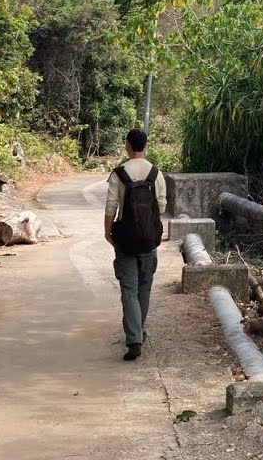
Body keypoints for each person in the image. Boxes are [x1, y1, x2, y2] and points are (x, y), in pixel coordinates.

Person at [104, 128, 167, 361]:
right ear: (145, 146)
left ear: (128, 146)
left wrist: (107, 232)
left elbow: (111, 206)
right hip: (149, 239)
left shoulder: (119, 174)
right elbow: (161, 206)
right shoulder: (156, 173)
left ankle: (134, 339)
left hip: (125, 240)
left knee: (129, 289)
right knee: (144, 287)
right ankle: (137, 332)